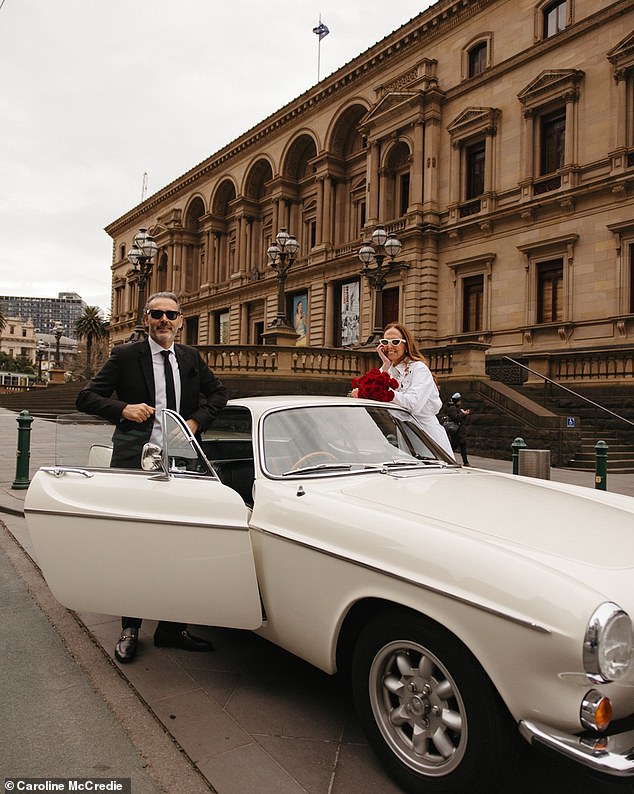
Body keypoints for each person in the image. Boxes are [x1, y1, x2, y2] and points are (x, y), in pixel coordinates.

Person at [76, 291, 228, 664]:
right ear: (146, 319)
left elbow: (219, 395)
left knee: (181, 541)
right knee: (135, 543)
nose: (164, 320)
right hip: (134, 462)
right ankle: (130, 627)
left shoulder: (190, 357)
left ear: (181, 320)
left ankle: (172, 628)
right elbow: (86, 397)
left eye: (170, 314)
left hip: (183, 463)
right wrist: (122, 409)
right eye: (157, 314)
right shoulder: (127, 356)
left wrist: (194, 422)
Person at [350, 322, 455, 459]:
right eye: (385, 342)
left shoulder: (419, 369)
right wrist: (385, 364)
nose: (389, 346)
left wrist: (386, 393)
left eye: (395, 341)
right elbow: (367, 389)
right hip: (405, 435)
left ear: (406, 345)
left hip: (427, 436)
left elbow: (413, 404)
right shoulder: (389, 370)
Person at [444, 392, 471, 466]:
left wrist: (464, 414)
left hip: (459, 431)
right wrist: (463, 414)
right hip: (456, 431)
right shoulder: (452, 408)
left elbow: (461, 419)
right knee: (455, 446)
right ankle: (447, 458)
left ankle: (465, 462)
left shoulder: (455, 408)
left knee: (460, 446)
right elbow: (456, 418)